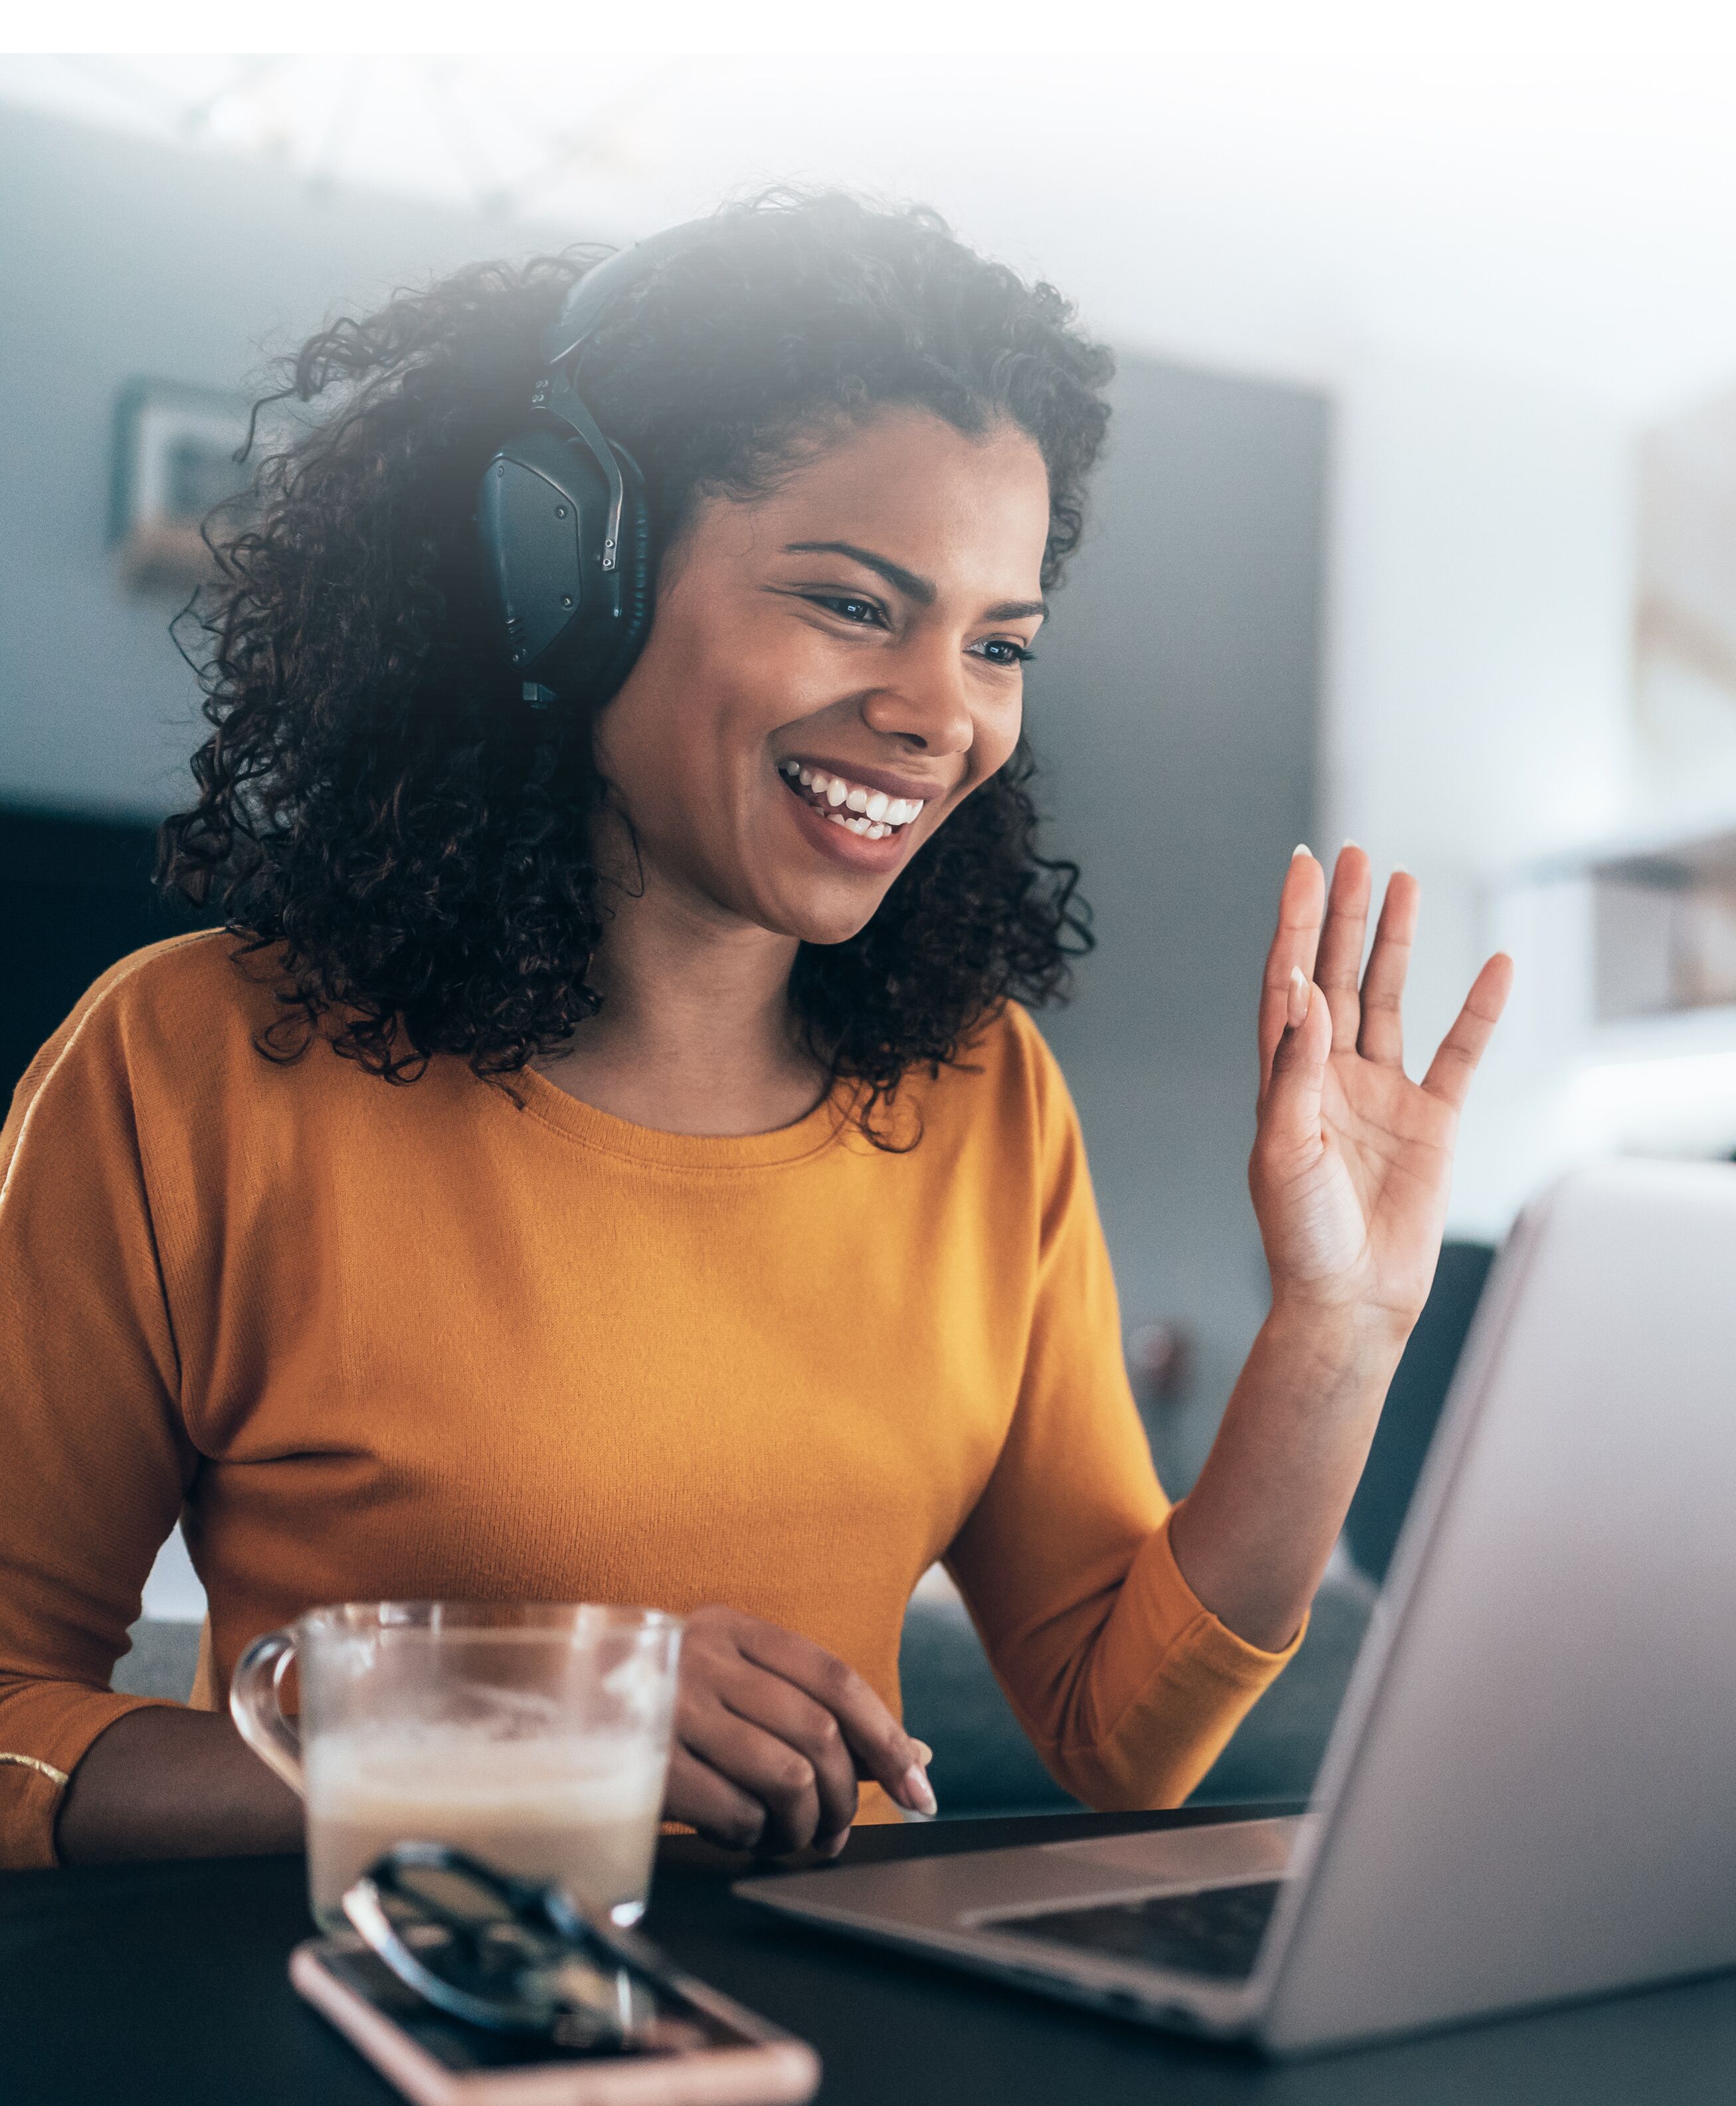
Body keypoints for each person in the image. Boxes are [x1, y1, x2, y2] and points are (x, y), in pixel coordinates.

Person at [0, 192, 1511, 1871]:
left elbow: (1123, 1731)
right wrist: (506, 1749)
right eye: (856, 605)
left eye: (997, 643)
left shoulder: (980, 1097)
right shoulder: (188, 1067)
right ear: (569, 577)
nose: (943, 714)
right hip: (385, 2022)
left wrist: (1341, 1323)